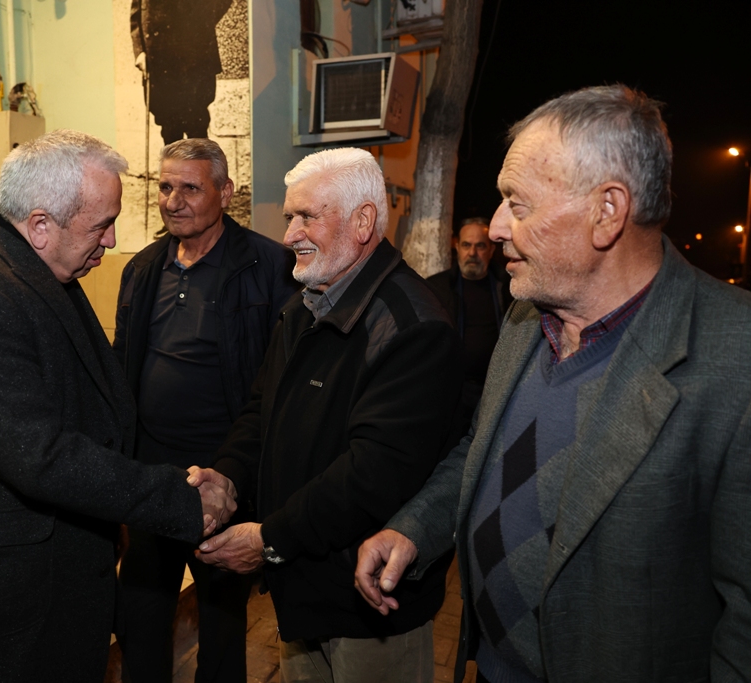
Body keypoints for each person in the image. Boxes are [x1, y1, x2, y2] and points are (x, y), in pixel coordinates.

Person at [355, 85, 751, 682]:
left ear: (607, 211)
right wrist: (416, 528)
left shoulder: (736, 358)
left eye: (518, 204)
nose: (495, 228)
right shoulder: (527, 316)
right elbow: (481, 449)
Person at [0, 129, 237, 683]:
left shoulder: (29, 267)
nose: (111, 240)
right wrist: (181, 499)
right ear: (41, 225)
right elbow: (40, 454)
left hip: (38, 588)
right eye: (101, 225)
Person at [191, 148, 462, 683]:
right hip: (302, 586)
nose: (289, 235)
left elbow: (373, 475)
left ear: (363, 222)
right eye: (289, 217)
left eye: (306, 217)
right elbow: (261, 412)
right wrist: (227, 476)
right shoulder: (306, 304)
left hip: (369, 605)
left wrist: (270, 539)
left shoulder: (414, 325)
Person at [113, 138, 298, 683]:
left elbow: (281, 379)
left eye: (190, 188)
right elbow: (123, 366)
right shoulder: (143, 268)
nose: (173, 201)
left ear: (226, 191)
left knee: (221, 628)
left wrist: (246, 477)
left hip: (225, 480)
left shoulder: (270, 266)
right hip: (152, 478)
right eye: (165, 187)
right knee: (140, 619)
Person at [427, 218, 512, 444]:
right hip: (451, 394)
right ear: (457, 247)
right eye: (466, 245)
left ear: (491, 250)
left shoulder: (509, 288)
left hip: (495, 392)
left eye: (480, 245)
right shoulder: (436, 288)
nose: (472, 253)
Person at [130, 0, 233, 144]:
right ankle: (173, 158)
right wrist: (140, 50)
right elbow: (136, 15)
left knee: (196, 122)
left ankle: (197, 158)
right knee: (168, 123)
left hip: (194, 52)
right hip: (159, 56)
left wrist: (202, 22)